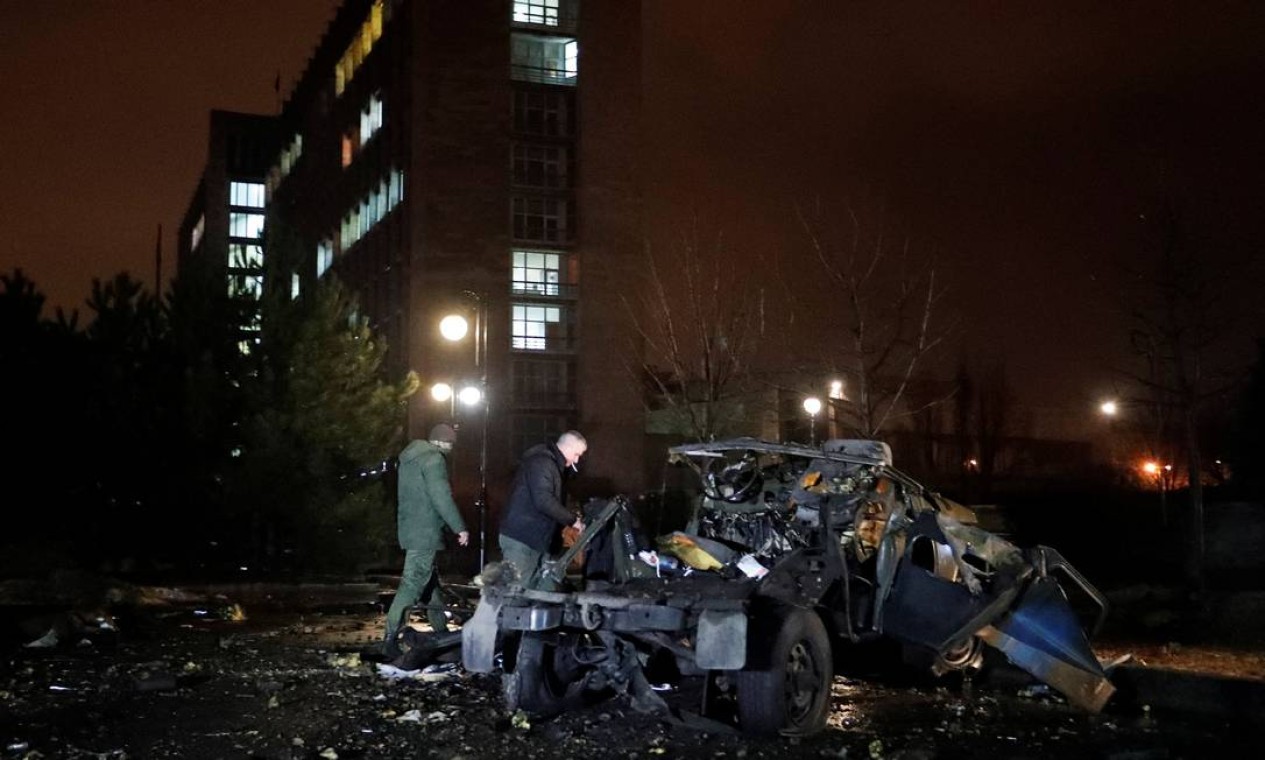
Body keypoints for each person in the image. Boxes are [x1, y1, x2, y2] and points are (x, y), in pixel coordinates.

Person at [376, 423, 468, 660]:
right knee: (412, 584)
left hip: (411, 529)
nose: (451, 448)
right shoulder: (433, 459)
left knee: (430, 586)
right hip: (425, 533)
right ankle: (389, 639)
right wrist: (459, 527)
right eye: (450, 444)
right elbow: (441, 496)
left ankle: (442, 635)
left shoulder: (410, 459)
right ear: (442, 442)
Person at [498, 430, 587, 588]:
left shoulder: (551, 465)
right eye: (576, 454)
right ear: (567, 447)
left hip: (534, 538)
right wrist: (572, 520)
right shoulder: (543, 463)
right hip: (522, 538)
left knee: (541, 590)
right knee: (517, 591)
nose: (577, 460)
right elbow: (543, 500)